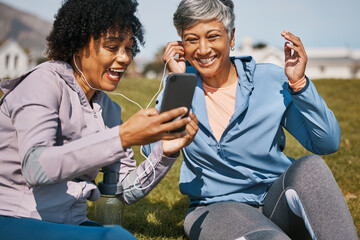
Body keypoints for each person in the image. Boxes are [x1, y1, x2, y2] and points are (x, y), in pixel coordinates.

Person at [145, 0, 358, 239]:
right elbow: (153, 151)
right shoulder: (179, 89)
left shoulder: (271, 80)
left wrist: (299, 85)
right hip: (218, 207)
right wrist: (177, 83)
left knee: (310, 168)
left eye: (213, 36)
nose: (203, 49)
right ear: (181, 44)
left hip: (275, 199)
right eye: (192, 39)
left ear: (231, 37)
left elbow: (326, 143)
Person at [0, 0, 198, 239]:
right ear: (78, 44)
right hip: (14, 220)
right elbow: (36, 166)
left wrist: (165, 153)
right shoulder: (42, 83)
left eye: (128, 48)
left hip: (71, 225)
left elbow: (125, 189)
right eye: (112, 47)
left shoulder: (109, 109)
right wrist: (122, 137)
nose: (124, 58)